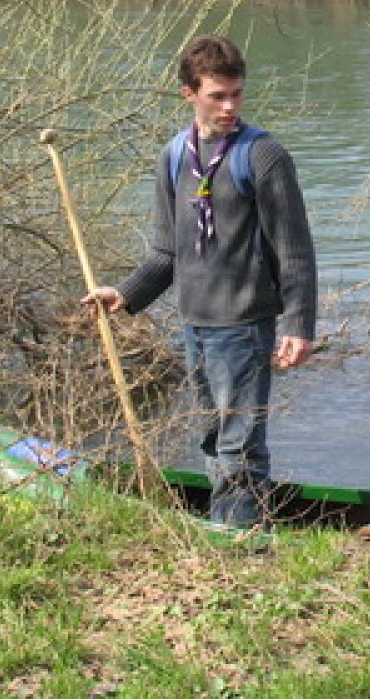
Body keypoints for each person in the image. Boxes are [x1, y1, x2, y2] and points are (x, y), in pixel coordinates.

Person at [84, 34, 317, 528]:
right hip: (195, 324)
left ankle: (237, 543)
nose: (230, 105)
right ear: (189, 93)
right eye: (217, 95)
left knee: (239, 443)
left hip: (245, 324)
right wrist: (124, 294)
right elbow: (167, 253)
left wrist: (298, 325)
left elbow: (294, 248)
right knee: (212, 439)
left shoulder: (263, 156)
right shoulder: (173, 156)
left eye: (237, 93)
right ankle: (231, 531)